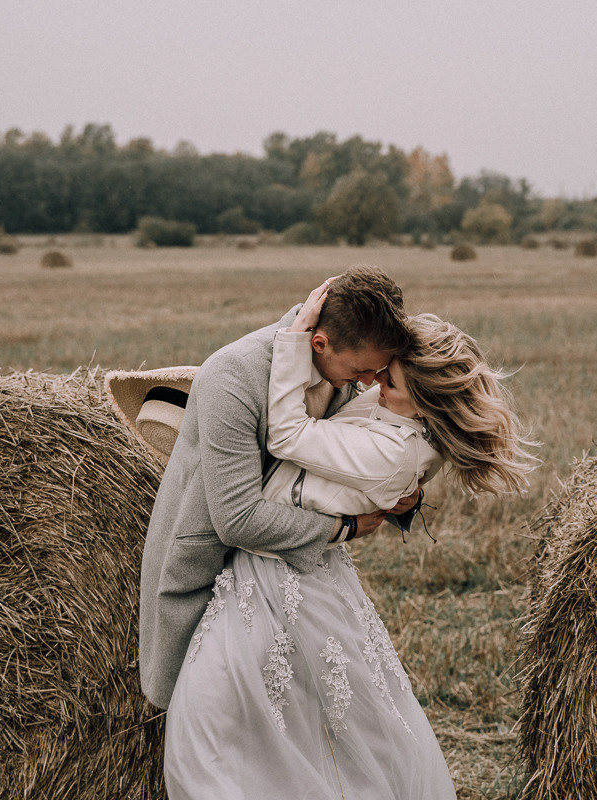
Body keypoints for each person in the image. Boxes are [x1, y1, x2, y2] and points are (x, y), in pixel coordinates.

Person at [162, 280, 538, 798]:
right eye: (372, 373)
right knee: (265, 725)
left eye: (385, 380)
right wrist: (360, 514)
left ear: (422, 405)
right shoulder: (245, 375)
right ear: (320, 343)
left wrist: (390, 497)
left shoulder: (381, 409)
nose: (370, 384)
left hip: (285, 571)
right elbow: (249, 505)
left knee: (251, 730)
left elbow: (304, 441)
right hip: (244, 561)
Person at [138, 266, 415, 717]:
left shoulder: (344, 370)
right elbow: (236, 518)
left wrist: (405, 496)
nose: (370, 383)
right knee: (211, 719)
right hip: (210, 567)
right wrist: (343, 528)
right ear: (320, 343)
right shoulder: (233, 376)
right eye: (361, 370)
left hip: (294, 569)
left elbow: (376, 448)